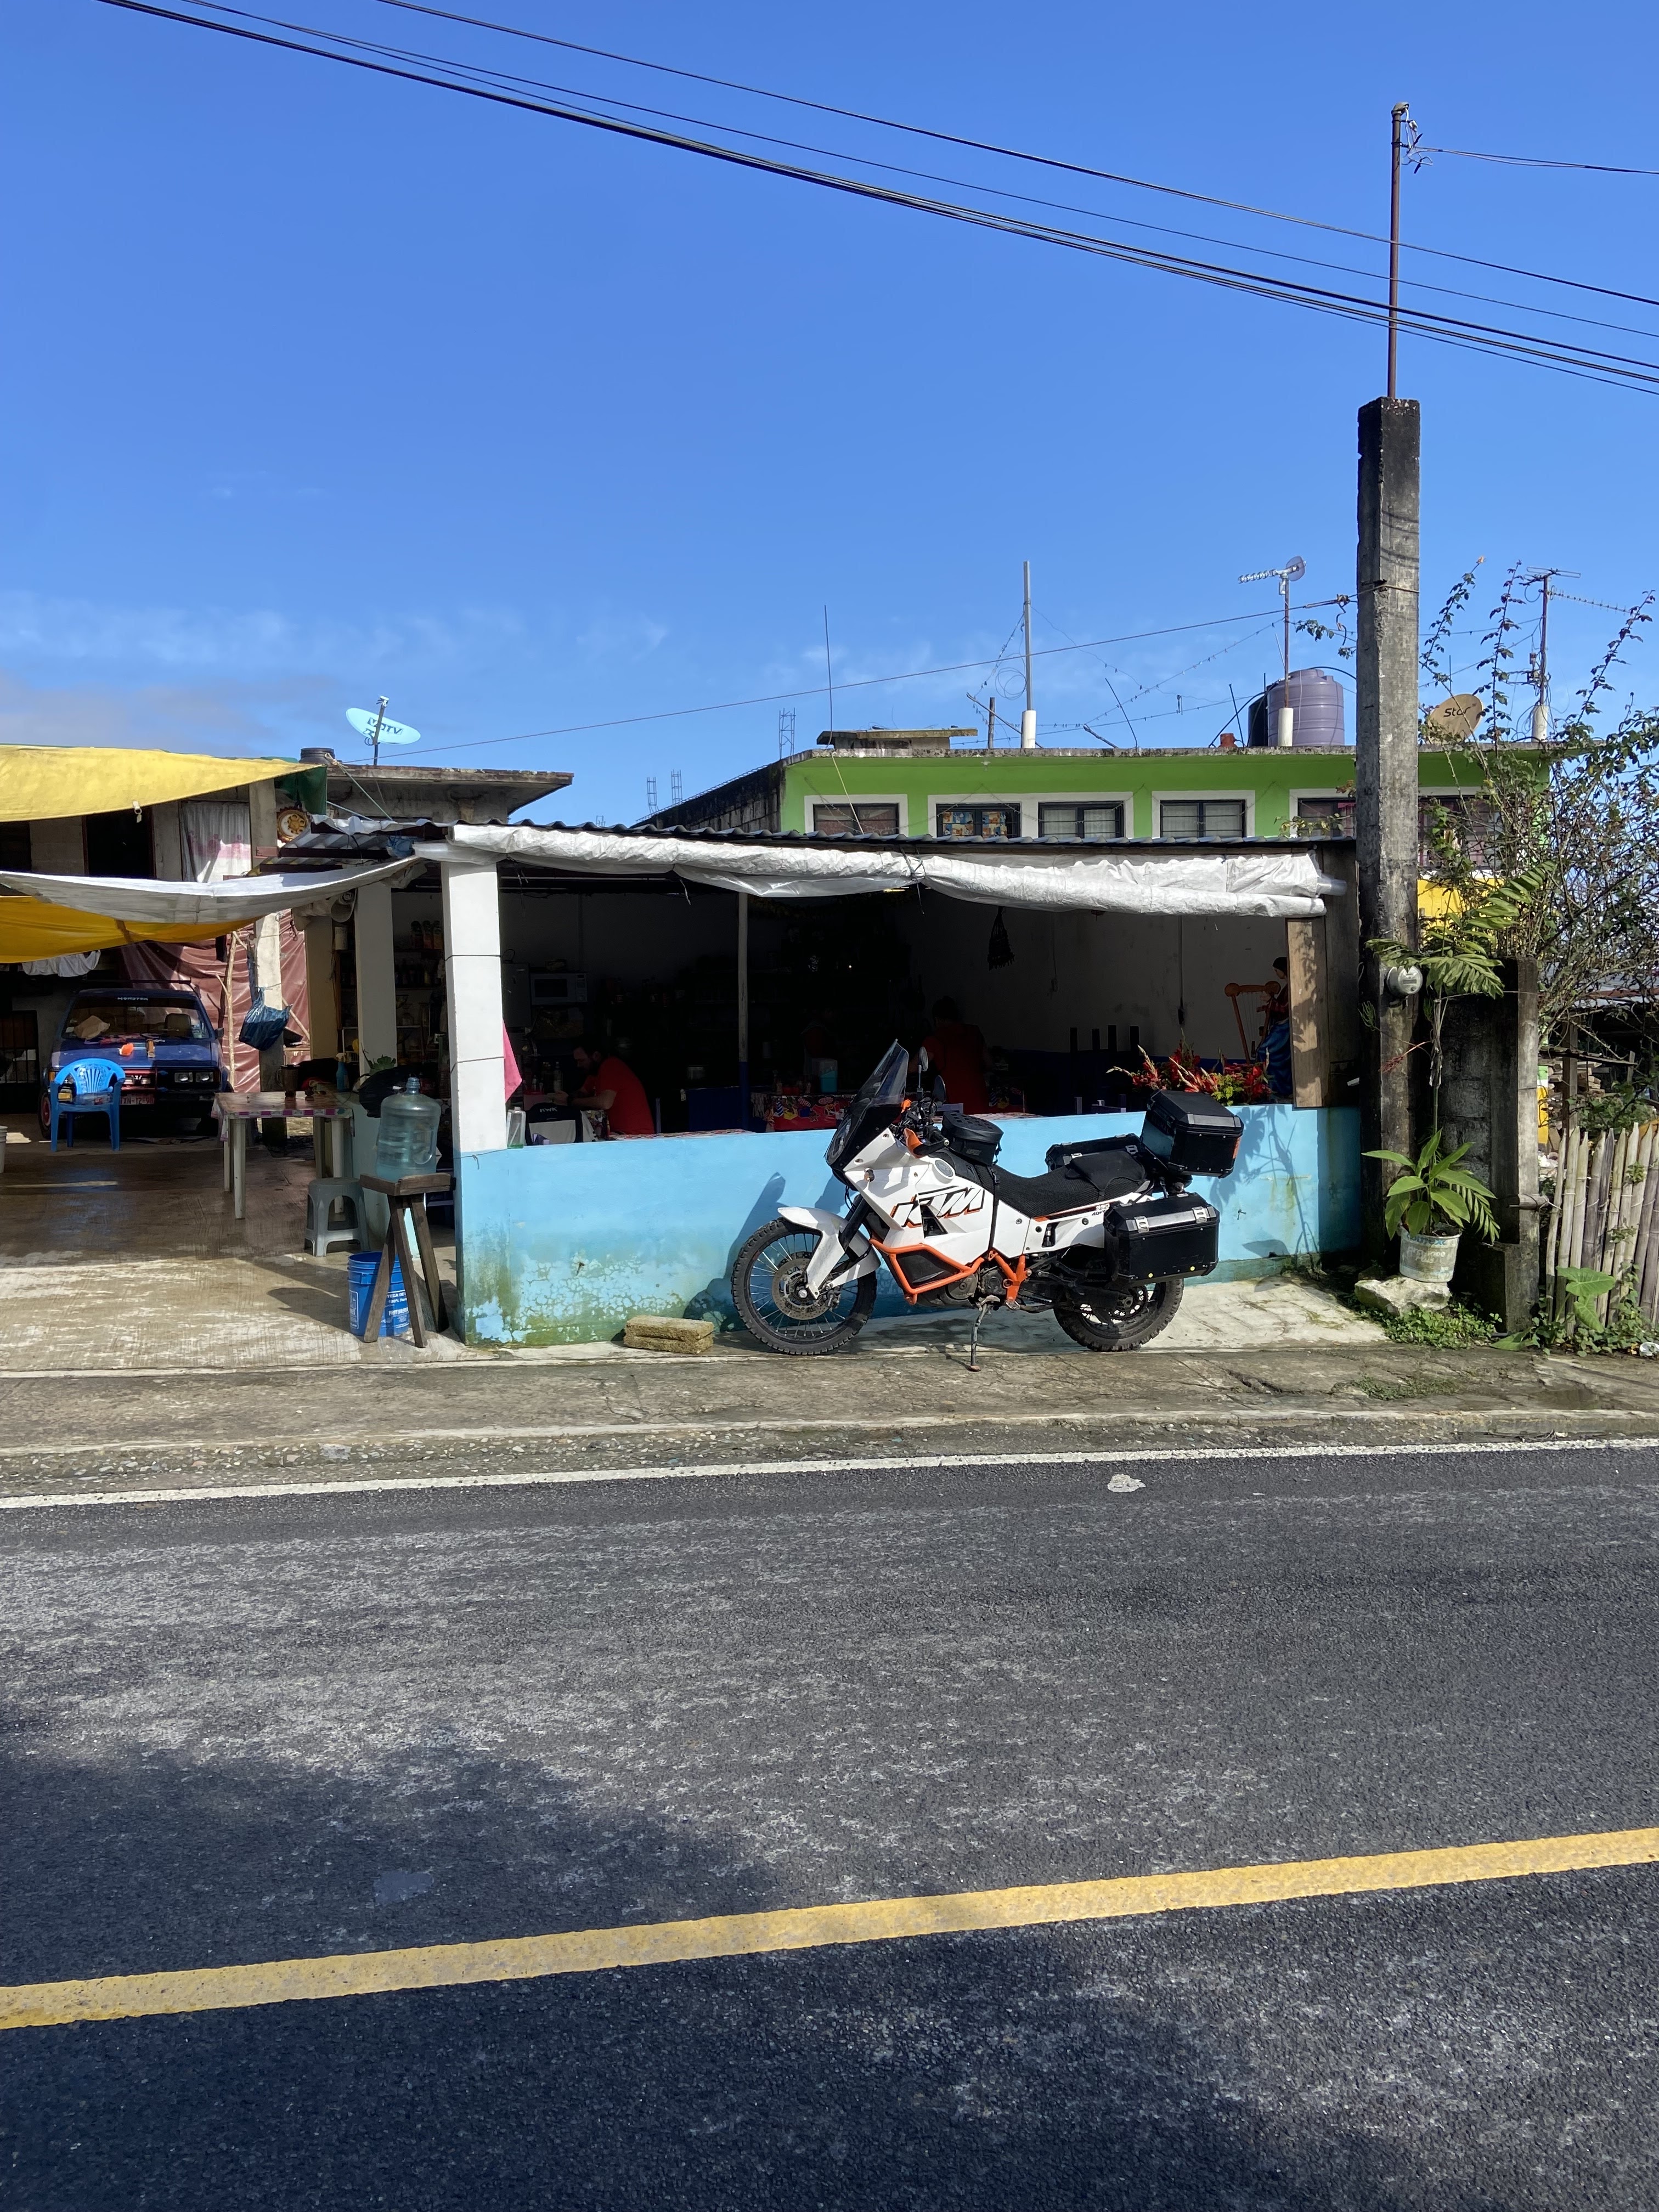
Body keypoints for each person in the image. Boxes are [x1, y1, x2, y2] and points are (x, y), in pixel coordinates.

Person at [554, 1043, 654, 1136]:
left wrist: (571, 1101)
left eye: (581, 1061)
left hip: (634, 1136)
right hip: (618, 1134)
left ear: (596, 1056)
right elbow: (582, 1093)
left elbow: (605, 1103)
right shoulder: (595, 1073)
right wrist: (561, 1097)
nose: (578, 1065)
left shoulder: (611, 1066)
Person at [919, 996, 991, 1115]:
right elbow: (989, 1064)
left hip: (955, 1107)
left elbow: (915, 1066)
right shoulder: (974, 1032)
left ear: (937, 1020)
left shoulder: (935, 1039)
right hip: (981, 1103)